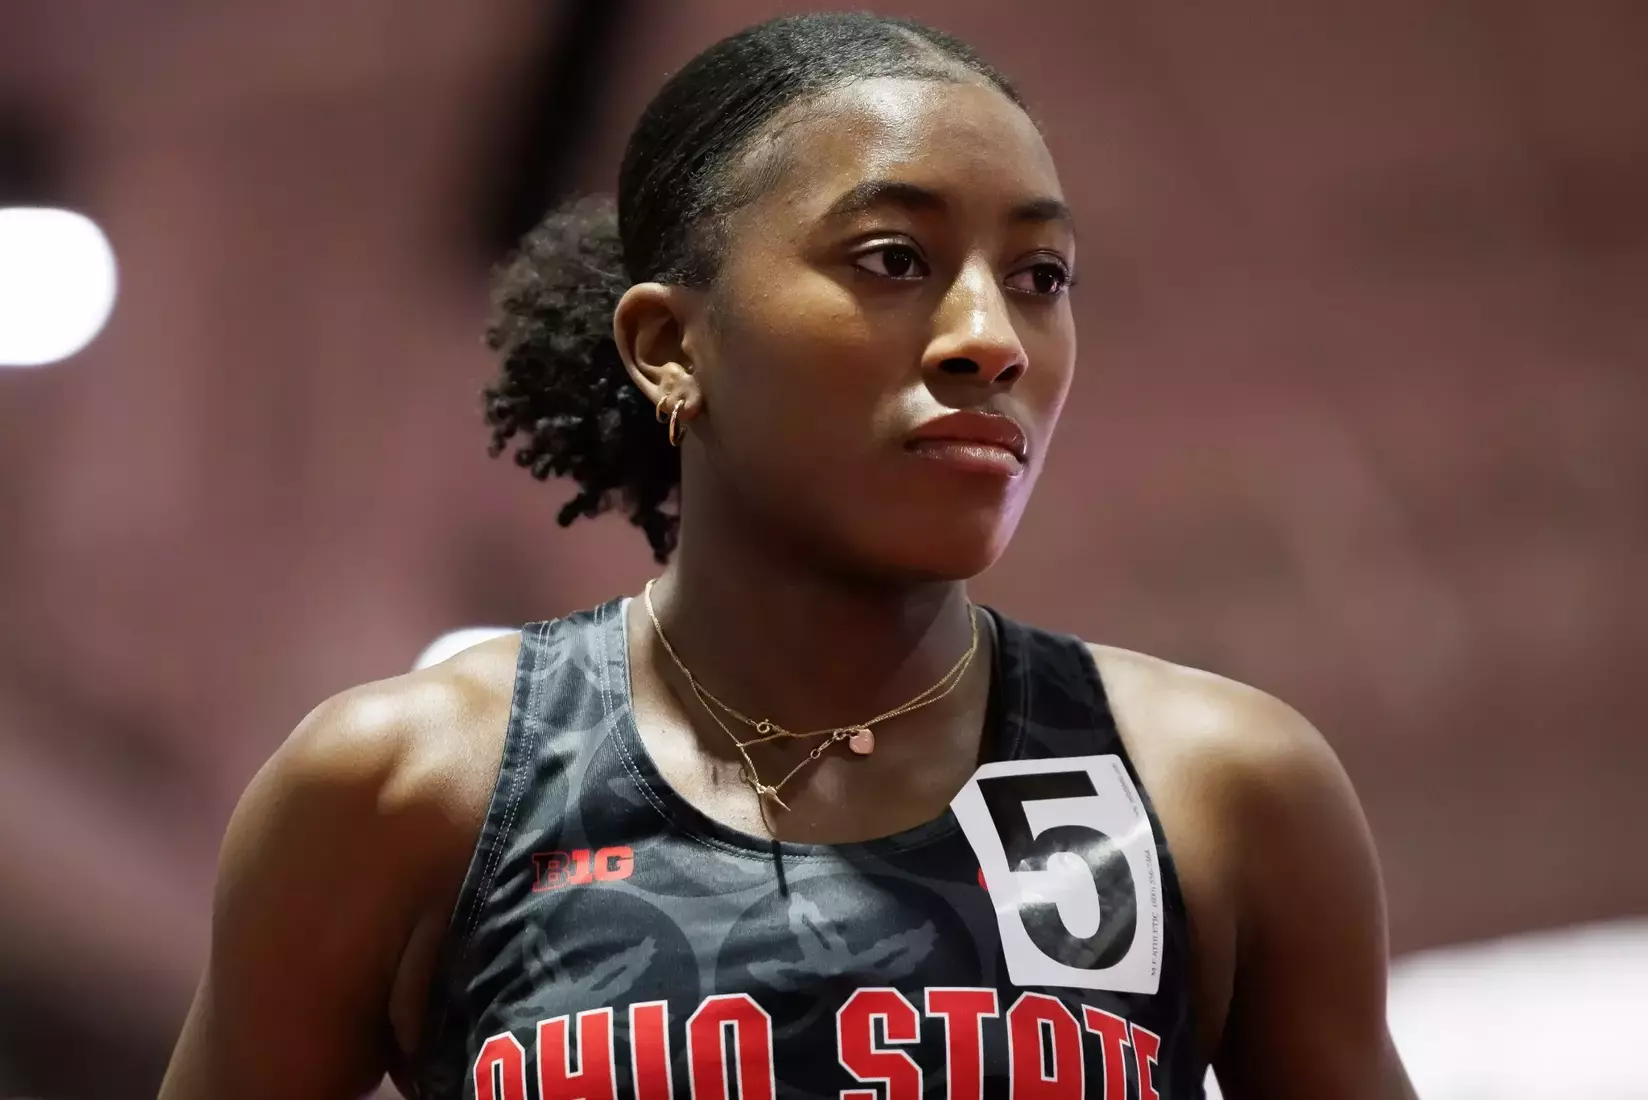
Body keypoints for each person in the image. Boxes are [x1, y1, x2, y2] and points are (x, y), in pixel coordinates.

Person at [158, 13, 1415, 1100]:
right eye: (892, 260)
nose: (993, 338)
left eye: (1041, 274)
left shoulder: (1215, 790)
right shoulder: (409, 789)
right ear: (669, 345)